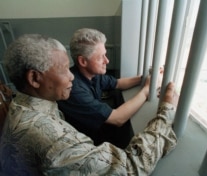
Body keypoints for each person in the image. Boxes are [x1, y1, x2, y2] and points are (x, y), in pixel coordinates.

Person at [0, 34, 177, 175]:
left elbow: (116, 83)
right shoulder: (52, 140)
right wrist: (167, 108)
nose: (71, 76)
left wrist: (146, 80)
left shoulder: (21, 105)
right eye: (63, 69)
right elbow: (131, 167)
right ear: (34, 78)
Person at [57, 28, 162, 148]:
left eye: (105, 55)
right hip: (90, 145)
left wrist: (147, 77)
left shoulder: (92, 75)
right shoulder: (74, 90)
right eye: (101, 57)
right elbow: (118, 118)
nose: (107, 61)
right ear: (83, 61)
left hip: (99, 133)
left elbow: (118, 83)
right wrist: (146, 91)